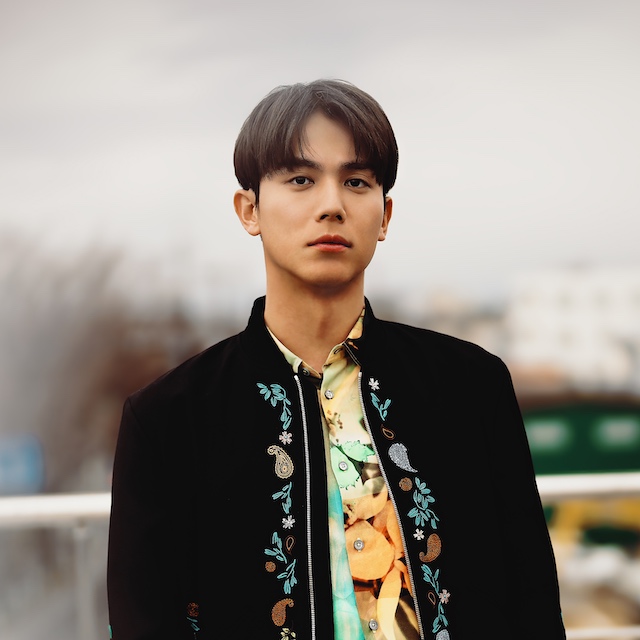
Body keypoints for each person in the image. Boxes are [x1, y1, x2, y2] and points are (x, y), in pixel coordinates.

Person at [107, 79, 566, 640]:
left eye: (356, 182)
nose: (331, 205)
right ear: (249, 210)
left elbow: (533, 604)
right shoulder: (168, 420)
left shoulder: (471, 388)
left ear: (385, 215)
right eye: (301, 180)